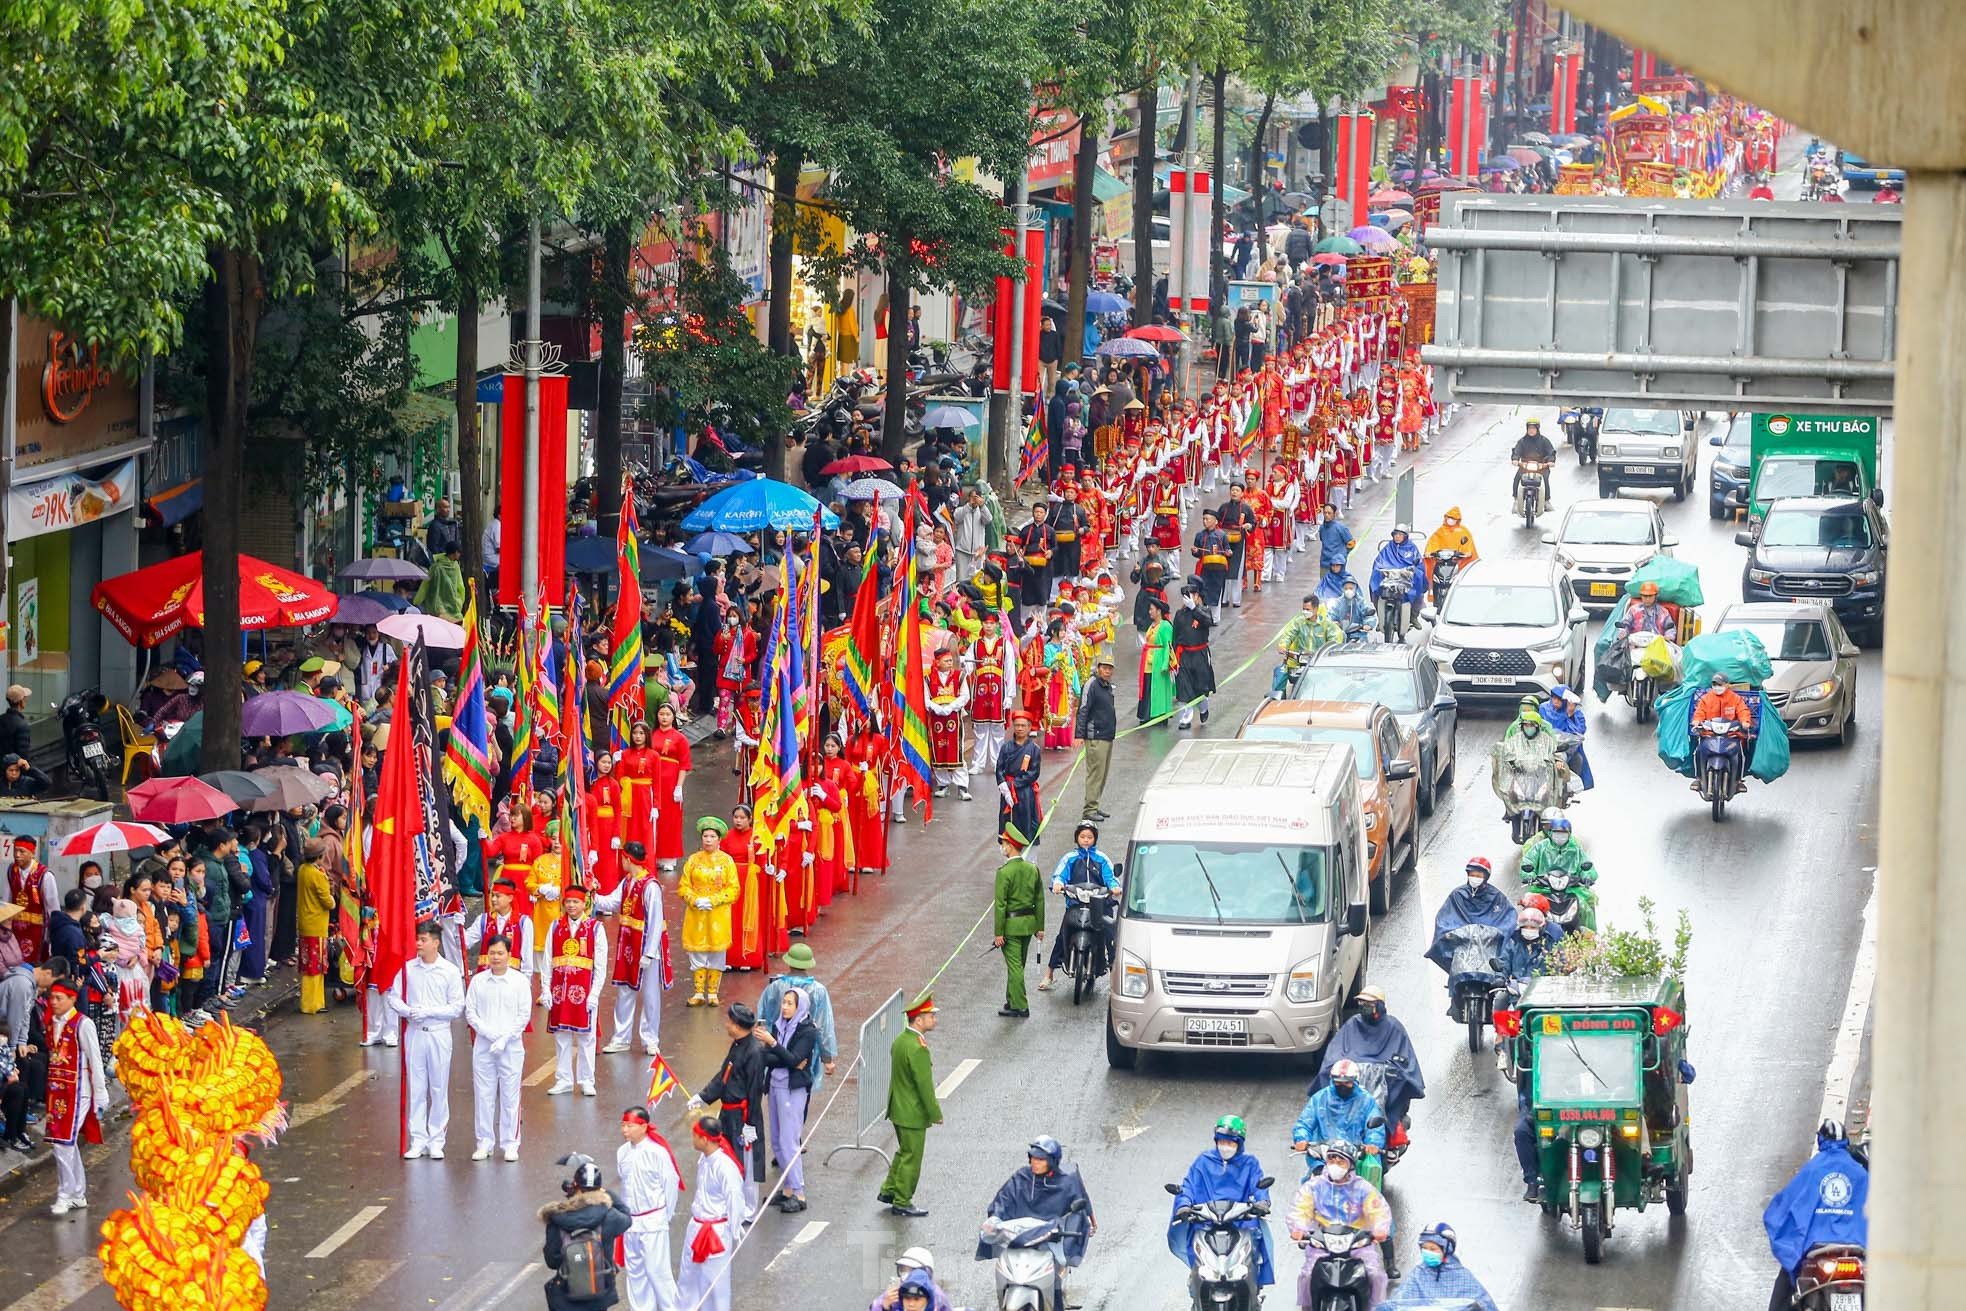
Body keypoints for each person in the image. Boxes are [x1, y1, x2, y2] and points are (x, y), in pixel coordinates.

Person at [1765, 1120, 1868, 1311]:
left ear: (1821, 1140)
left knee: (1785, 1286)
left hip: (1817, 1251)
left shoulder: (1811, 1171)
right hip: (1858, 1251)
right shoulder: (1860, 1173)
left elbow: (1782, 1210)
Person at [976, 1136, 1096, 1294]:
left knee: (1055, 1285)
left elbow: (1081, 1203)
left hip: (1050, 1240)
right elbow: (1003, 1200)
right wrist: (994, 1220)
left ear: (1052, 1161)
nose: (1035, 1163)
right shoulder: (1021, 1178)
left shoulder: (1066, 1182)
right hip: (1021, 1237)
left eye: (1040, 1159)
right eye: (1033, 1158)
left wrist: (1090, 1222)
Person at [1168, 1116, 1275, 1288]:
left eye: (1231, 1143)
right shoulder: (1203, 1161)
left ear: (1239, 1144)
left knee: (1255, 1249)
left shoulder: (1250, 1164)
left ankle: (1254, 1285)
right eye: (1222, 1141)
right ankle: (1196, 1283)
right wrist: (1184, 1205)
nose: (1226, 1147)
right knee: (1197, 1257)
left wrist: (1262, 1202)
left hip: (1241, 1222)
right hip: (1206, 1222)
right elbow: (1189, 1186)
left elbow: (1258, 1185)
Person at [390, 921, 465, 1159]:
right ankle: (418, 1139)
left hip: (439, 1032)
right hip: (414, 1031)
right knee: (417, 1086)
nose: (418, 944)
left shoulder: (449, 971)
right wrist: (407, 1010)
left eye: (423, 940)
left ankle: (436, 1139)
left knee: (438, 1086)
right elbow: (394, 997)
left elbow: (457, 1007)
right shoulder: (408, 969)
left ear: (436, 942)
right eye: (417, 940)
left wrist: (430, 1012)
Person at [1287, 1141, 1392, 1304]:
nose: (1335, 1165)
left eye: (1340, 1161)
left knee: (1375, 1275)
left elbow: (1378, 1210)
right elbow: (1300, 1209)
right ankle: (1307, 1307)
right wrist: (1298, 1228)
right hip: (1322, 1244)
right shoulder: (1313, 1187)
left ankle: (1376, 1307)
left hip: (1357, 1245)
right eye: (1331, 1160)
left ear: (1350, 1165)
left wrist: (1380, 1229)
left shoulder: (1363, 1188)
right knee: (1307, 1275)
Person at [1312, 985, 1425, 1131]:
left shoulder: (1394, 1027)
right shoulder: (1353, 1024)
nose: (1363, 1007)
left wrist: (1390, 1069)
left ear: (1379, 1006)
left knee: (1397, 1080)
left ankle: (1381, 1121)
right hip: (1352, 1076)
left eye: (1368, 1004)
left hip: (1384, 1078)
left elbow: (1405, 1059)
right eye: (1361, 1003)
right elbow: (1335, 1051)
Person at [692, 1002, 768, 1212]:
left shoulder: (754, 1052)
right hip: (728, 1113)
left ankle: (749, 1208)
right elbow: (724, 1076)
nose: (726, 1025)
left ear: (737, 1025)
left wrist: (750, 1123)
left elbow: (755, 1089)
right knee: (731, 1158)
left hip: (743, 1116)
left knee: (747, 1162)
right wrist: (704, 1096)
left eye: (729, 1021)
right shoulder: (737, 1045)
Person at [462, 932, 530, 1162]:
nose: (496, 957)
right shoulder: (479, 981)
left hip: (510, 1047)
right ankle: (484, 1142)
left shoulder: (519, 981)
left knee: (510, 1096)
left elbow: (524, 1015)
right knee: (484, 1095)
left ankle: (510, 1143)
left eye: (500, 953)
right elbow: (470, 1012)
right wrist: (489, 1034)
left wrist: (505, 1037)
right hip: (484, 1046)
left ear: (509, 955)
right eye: (492, 953)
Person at [44, 977, 108, 1215]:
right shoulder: (51, 1022)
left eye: (59, 998)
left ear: (72, 999)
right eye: (52, 998)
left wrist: (99, 1093)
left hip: (78, 1090)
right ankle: (77, 1193)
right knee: (63, 1143)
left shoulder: (83, 1024)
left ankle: (65, 1193)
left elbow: (95, 1059)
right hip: (56, 1090)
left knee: (63, 1142)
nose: (54, 1002)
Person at [597, 842, 669, 1055]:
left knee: (650, 995)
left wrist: (648, 953)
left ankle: (650, 1039)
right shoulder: (627, 882)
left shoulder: (650, 886)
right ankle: (621, 1037)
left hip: (646, 946)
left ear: (628, 859)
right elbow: (611, 903)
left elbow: (656, 921)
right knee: (625, 990)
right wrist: (591, 894)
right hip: (628, 943)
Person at [676, 1118, 753, 1311]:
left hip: (716, 1232)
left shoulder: (726, 1167)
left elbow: (735, 1198)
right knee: (688, 1278)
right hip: (697, 1225)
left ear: (704, 1139)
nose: (692, 1139)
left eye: (694, 1136)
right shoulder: (704, 1159)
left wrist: (734, 1229)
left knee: (715, 1284)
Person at [540, 1153, 632, 1311]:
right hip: (600, 1293)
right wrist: (607, 1193)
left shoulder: (557, 1218)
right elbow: (626, 1216)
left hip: (566, 1296)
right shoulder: (609, 1216)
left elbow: (552, 1261)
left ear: (575, 1186)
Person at [616, 1107, 685, 1311]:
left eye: (630, 1125)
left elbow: (671, 1183)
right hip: (631, 1222)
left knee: (658, 1271)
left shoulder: (657, 1152)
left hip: (653, 1220)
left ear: (644, 1126)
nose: (625, 1130)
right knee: (635, 1272)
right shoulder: (622, 1152)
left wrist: (666, 1215)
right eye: (623, 1125)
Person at [878, 995, 942, 1217]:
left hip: (897, 1106)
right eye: (930, 1016)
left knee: (904, 1151)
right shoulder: (918, 1047)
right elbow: (924, 1085)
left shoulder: (901, 1040)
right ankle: (903, 1200)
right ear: (918, 1020)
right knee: (912, 1156)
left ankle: (889, 1190)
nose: (934, 1019)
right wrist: (935, 1113)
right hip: (912, 1111)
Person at [758, 987, 819, 1212]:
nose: (784, 1007)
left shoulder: (808, 1031)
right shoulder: (778, 1026)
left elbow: (793, 1059)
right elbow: (771, 1058)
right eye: (783, 1002)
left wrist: (775, 1046)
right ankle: (786, 1190)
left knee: (789, 1141)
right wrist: (783, 1056)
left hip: (793, 1089)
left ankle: (799, 1192)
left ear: (799, 1006)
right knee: (776, 1140)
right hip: (774, 1085)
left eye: (789, 1004)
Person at [546, 884, 609, 1097]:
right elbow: (547, 960)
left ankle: (586, 1079)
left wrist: (595, 994)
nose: (571, 906)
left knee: (586, 1037)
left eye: (576, 902)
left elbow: (600, 965)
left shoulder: (595, 929)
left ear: (584, 904)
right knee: (561, 1036)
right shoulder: (555, 927)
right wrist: (545, 988)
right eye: (568, 902)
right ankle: (563, 1079)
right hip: (559, 991)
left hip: (584, 991)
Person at [1038, 824, 1117, 992]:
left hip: (1099, 906)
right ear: (1076, 838)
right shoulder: (1070, 858)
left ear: (1095, 838)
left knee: (1111, 936)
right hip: (1075, 905)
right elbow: (1059, 874)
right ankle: (1049, 973)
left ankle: (1114, 975)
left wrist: (1114, 887)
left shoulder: (1102, 859)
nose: (1086, 840)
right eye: (1083, 837)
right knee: (1061, 936)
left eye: (1089, 837)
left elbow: (1111, 878)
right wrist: (1058, 884)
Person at [757, 943, 840, 1091]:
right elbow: (822, 1027)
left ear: (788, 962)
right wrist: (827, 1059)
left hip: (777, 1049)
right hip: (805, 1050)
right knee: (800, 1096)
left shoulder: (775, 987)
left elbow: (763, 1017)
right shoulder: (818, 990)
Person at [678, 818, 739, 1007]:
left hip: (717, 914)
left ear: (719, 839)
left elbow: (733, 889)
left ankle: (713, 992)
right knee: (697, 953)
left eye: (712, 836)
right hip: (696, 914)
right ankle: (698, 992)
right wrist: (694, 899)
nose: (708, 840)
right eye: (706, 836)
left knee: (716, 952)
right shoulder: (693, 860)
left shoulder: (727, 861)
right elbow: (683, 886)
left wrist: (713, 900)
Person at [1292, 1058, 1386, 1173]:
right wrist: (1302, 1139)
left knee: (1369, 1187)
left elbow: (1375, 1128)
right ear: (1332, 1080)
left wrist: (1373, 1144)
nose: (1342, 1086)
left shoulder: (1366, 1100)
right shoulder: (1320, 1098)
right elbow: (1305, 1122)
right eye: (1338, 1082)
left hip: (1355, 1157)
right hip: (1325, 1157)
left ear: (1355, 1081)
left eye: (1347, 1083)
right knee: (1309, 1188)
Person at [1381, 1221, 1500, 1310]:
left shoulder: (1463, 1277)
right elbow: (1400, 1301)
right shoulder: (1418, 1274)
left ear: (1446, 1249)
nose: (1428, 1252)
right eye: (1424, 1248)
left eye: (1433, 1249)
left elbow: (1484, 1304)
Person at [992, 825, 1044, 1018]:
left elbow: (1000, 905)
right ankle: (1011, 1000)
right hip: (1028, 924)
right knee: (1018, 965)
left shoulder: (1004, 872)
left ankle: (1020, 1006)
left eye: (1004, 843)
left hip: (1011, 927)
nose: (1002, 847)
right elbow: (1039, 900)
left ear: (1011, 846)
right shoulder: (1032, 869)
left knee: (1015, 967)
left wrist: (998, 933)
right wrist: (1040, 927)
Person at [1076, 649, 1117, 820]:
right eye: (1104, 667)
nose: (1107, 671)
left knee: (1103, 773)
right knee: (1095, 773)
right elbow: (1083, 709)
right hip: (1095, 736)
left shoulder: (1106, 686)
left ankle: (1095, 804)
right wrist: (1079, 734)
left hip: (1107, 735)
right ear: (1098, 668)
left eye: (1110, 668)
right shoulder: (1091, 684)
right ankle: (1089, 810)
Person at [1275, 595, 1343, 694]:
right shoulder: (1299, 622)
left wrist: (1328, 652)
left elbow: (1335, 639)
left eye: (1308, 609)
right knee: (1282, 676)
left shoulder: (1326, 624)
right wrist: (1283, 645)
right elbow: (1289, 634)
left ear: (1316, 609)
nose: (1305, 612)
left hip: (1319, 661)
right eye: (1303, 609)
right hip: (1300, 660)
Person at [1171, 582, 1216, 730]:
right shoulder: (1179, 614)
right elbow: (1175, 636)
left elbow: (1209, 621)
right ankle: (1186, 718)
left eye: (1191, 596)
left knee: (1200, 687)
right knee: (1185, 687)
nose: (1188, 599)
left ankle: (1203, 708)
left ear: (1197, 596)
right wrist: (1173, 658)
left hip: (1200, 655)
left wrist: (1194, 608)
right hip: (1184, 655)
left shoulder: (1204, 611)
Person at [1368, 524, 1426, 632]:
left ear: (1405, 536)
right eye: (1396, 534)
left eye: (1400, 534)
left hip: (1406, 580)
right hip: (1389, 579)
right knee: (1376, 589)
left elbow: (1419, 565)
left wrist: (1413, 571)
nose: (1397, 537)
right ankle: (1380, 618)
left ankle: (1413, 616)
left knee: (1418, 591)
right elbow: (1378, 561)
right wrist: (1380, 570)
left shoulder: (1412, 548)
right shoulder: (1388, 548)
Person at [995, 713, 1042, 844]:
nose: (1020, 728)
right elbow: (999, 768)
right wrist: (1003, 784)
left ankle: (1027, 847)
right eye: (1017, 725)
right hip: (1007, 791)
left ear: (1029, 727)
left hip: (1025, 791)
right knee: (1007, 819)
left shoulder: (1034, 749)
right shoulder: (1006, 747)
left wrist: (1014, 784)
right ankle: (1008, 847)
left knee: (1026, 819)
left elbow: (1034, 772)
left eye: (1023, 725)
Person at [1539, 684, 1593, 790]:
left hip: (1568, 749)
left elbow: (1580, 731)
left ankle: (1568, 787)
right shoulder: (1544, 708)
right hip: (1547, 747)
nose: (1555, 701)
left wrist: (1570, 715)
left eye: (1559, 699)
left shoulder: (1576, 713)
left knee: (1578, 760)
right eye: (1553, 697)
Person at [870, 1249, 954, 1311]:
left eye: (911, 1270)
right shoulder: (896, 1290)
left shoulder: (938, 1296)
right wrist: (885, 1306)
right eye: (903, 1269)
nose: (911, 1303)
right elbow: (874, 1306)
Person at [1137, 596, 1176, 723]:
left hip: (1158, 661)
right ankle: (1147, 713)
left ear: (1159, 611)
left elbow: (1168, 646)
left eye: (1151, 609)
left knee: (1157, 688)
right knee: (1148, 686)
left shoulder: (1165, 626)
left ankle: (1158, 714)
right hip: (1148, 660)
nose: (1149, 612)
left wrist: (1165, 663)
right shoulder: (1153, 625)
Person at [1510, 419, 1558, 506]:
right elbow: (1516, 451)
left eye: (1533, 428)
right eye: (1529, 428)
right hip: (1525, 466)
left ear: (1537, 429)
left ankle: (1546, 500)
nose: (1531, 430)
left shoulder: (1544, 441)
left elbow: (1551, 452)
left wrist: (1550, 461)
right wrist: (1515, 459)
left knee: (1545, 479)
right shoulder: (1522, 441)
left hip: (1541, 467)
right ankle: (1516, 500)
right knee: (1517, 478)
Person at [1327, 574, 1373, 640]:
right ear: (1342, 589)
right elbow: (1331, 615)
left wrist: (1367, 624)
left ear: (1355, 589)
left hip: (1358, 634)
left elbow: (1367, 614)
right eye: (1346, 588)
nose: (1348, 591)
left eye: (1351, 588)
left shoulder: (1360, 602)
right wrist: (1334, 623)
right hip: (1341, 633)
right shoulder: (1338, 602)